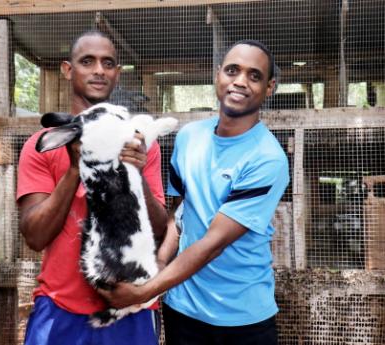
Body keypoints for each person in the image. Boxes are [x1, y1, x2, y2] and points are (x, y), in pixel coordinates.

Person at [101, 39, 290, 345]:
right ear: (218, 76)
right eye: (232, 70)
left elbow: (213, 243)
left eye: (254, 76)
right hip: (183, 309)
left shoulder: (267, 158)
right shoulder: (190, 137)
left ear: (269, 88)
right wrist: (160, 262)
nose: (240, 81)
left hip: (241, 317)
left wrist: (144, 291)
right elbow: (182, 212)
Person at [16, 30, 168, 345]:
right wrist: (75, 168)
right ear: (68, 70)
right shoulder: (41, 146)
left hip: (129, 305)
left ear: (117, 74)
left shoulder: (140, 144)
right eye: (88, 61)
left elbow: (159, 233)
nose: (99, 70)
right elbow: (35, 236)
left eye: (108, 63)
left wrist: (134, 174)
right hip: (60, 307)